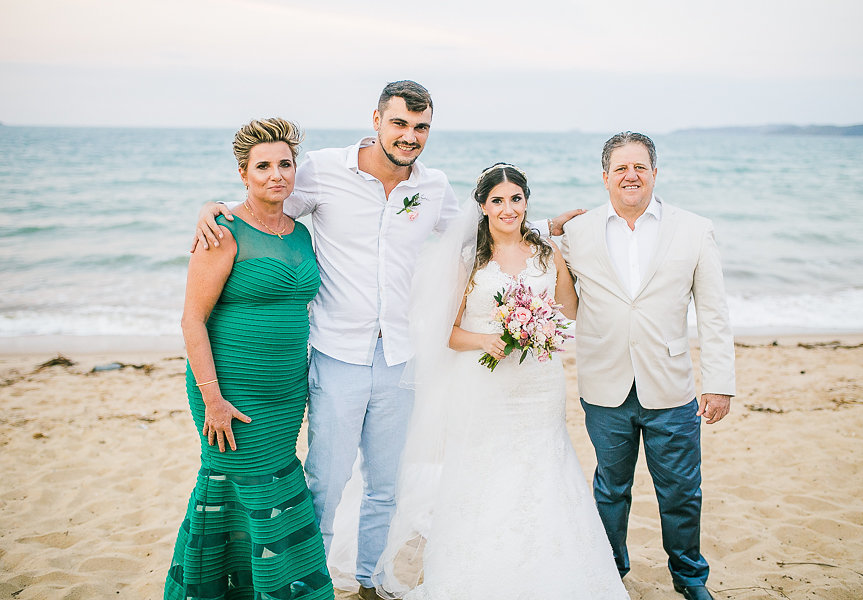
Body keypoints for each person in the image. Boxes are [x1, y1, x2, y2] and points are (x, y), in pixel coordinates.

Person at [192, 82, 580, 600]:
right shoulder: (324, 171)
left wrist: (543, 228)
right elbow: (266, 198)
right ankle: (312, 582)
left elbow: (480, 231)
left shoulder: (434, 186)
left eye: (421, 127)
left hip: (401, 355)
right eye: (399, 124)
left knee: (386, 485)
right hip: (337, 353)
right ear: (376, 119)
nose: (409, 136)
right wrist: (210, 206)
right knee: (324, 482)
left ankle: (371, 581)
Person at [373, 164, 630, 600]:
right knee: (484, 474)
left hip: (539, 385)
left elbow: (567, 310)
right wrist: (488, 338)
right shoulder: (470, 261)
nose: (507, 208)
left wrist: (540, 325)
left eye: (515, 199)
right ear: (482, 206)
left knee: (545, 468)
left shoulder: (549, 253)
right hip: (484, 388)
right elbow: (448, 335)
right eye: (497, 200)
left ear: (527, 201)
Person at [561, 132, 736, 600]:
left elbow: (714, 313)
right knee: (610, 489)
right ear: (605, 178)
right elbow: (518, 240)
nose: (631, 175)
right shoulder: (577, 233)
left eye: (640, 167)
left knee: (681, 492)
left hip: (672, 387)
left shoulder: (695, 229)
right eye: (620, 168)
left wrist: (719, 383)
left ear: (655, 173)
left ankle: (690, 578)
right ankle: (609, 571)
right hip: (603, 384)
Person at [165, 118, 333, 600]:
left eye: (285, 164)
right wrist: (213, 400)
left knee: (273, 485)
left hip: (284, 394)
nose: (276, 174)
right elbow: (191, 321)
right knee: (236, 489)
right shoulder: (221, 229)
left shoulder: (301, 232)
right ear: (243, 173)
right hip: (229, 392)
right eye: (263, 166)